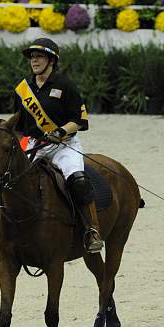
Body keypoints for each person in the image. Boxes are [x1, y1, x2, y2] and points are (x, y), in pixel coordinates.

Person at [12, 37, 103, 253]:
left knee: (78, 181)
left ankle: (91, 231)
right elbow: (18, 125)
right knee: (10, 180)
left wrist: (60, 131)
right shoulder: (23, 89)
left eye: (39, 56)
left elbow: (80, 120)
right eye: (32, 57)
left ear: (51, 60)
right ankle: (11, 235)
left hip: (63, 146)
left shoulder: (65, 86)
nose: (34, 61)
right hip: (34, 144)